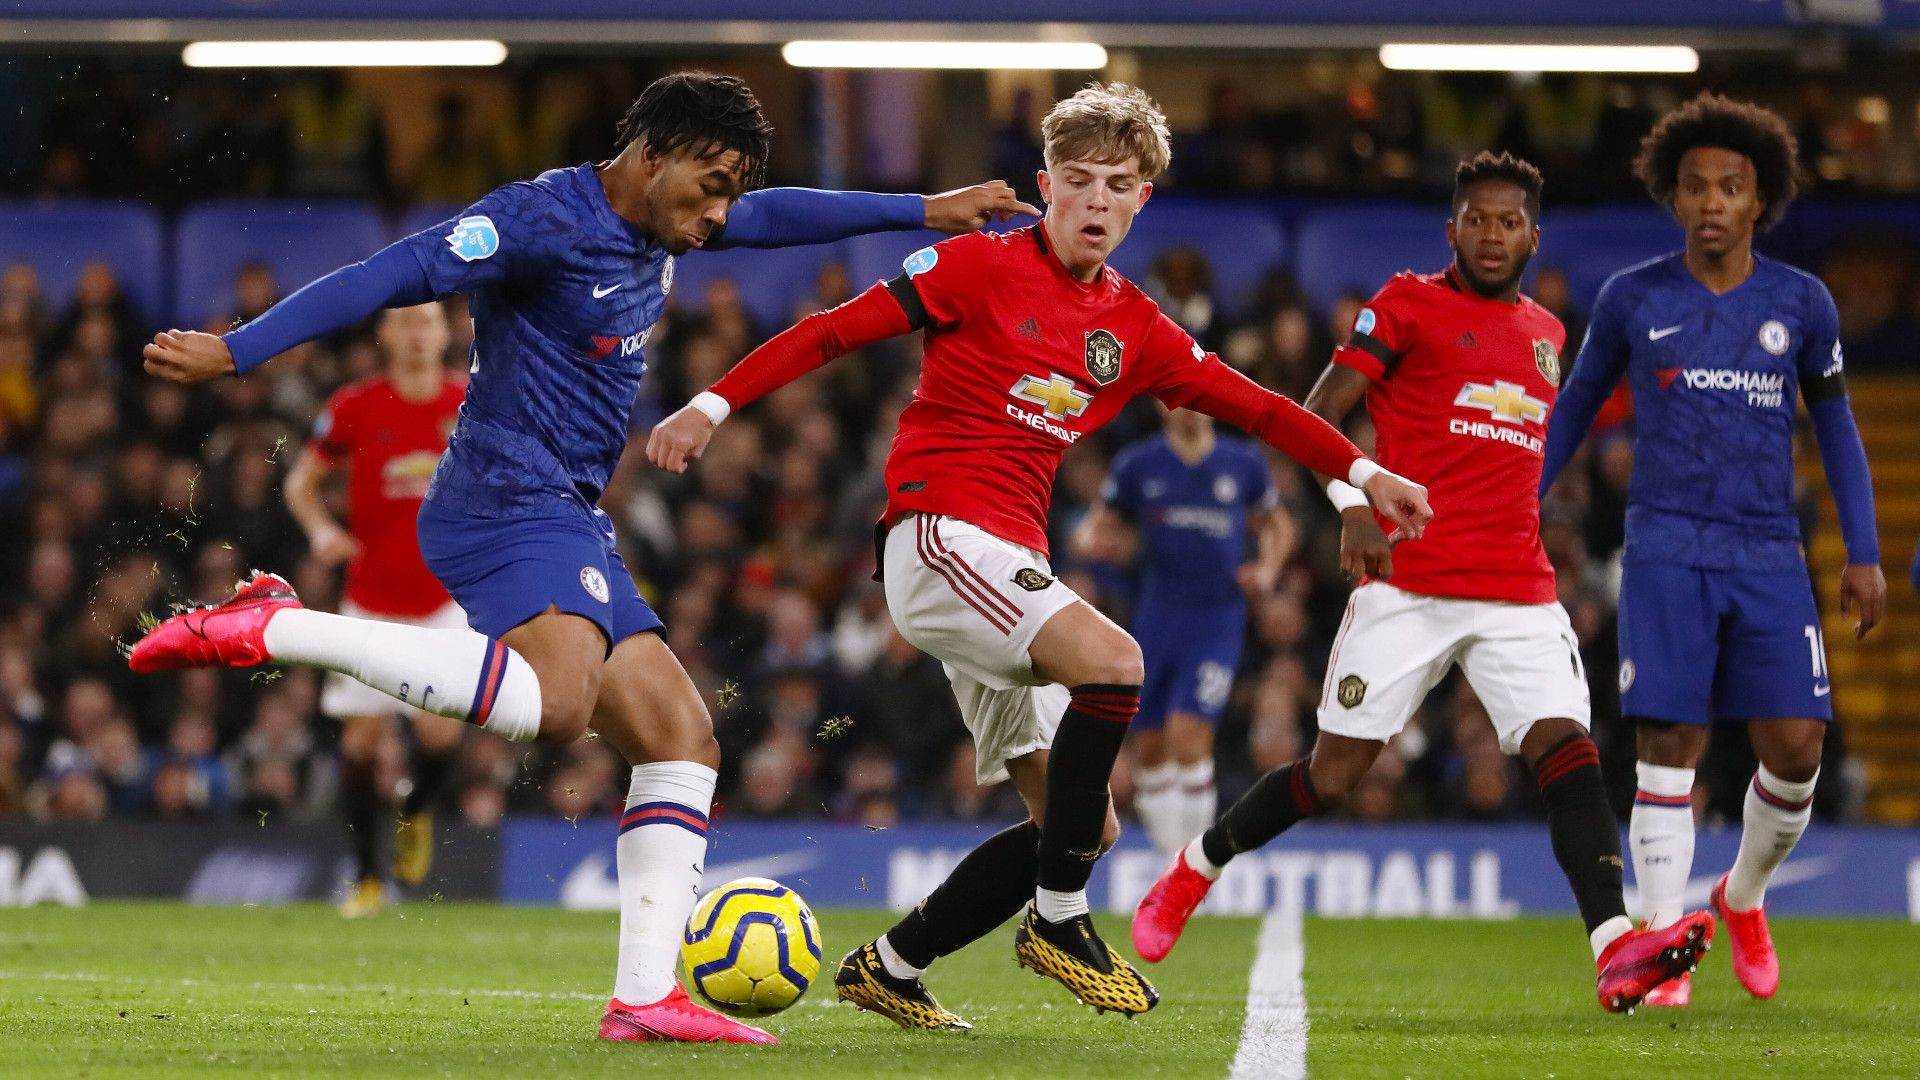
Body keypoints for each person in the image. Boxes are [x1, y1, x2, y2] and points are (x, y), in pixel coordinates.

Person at [126, 70, 1038, 1046]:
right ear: (651, 155)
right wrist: (242, 350)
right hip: (503, 499)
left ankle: (643, 999)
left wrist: (925, 209)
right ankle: (278, 623)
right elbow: (391, 273)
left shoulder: (677, 214)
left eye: (730, 189)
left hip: (566, 512)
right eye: (710, 185)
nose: (720, 213)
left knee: (683, 740)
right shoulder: (536, 220)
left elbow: (775, 215)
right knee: (558, 708)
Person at [646, 82, 1431, 1030]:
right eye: (1081, 180)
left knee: (1080, 824)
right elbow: (831, 331)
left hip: (1007, 564)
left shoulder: (1134, 327)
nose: (1098, 201)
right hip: (939, 537)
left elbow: (1259, 406)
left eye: (1120, 185)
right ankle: (1059, 921)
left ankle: (889, 966)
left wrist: (1360, 470)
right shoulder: (979, 266)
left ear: (1144, 201)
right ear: (1045, 185)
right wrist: (710, 403)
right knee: (1119, 665)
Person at [1131, 151, 1717, 1014]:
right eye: (1476, 219)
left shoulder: (1550, 337)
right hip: (1409, 583)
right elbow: (1313, 414)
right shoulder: (1406, 303)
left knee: (1570, 751)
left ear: (1533, 236)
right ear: (1451, 229)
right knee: (1333, 775)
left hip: (1518, 587)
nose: (1492, 234)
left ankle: (1614, 947)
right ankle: (1194, 868)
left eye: (1509, 221)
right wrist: (1351, 495)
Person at [1538, 94, 1885, 1006]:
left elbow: (1838, 427)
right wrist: (1520, 499)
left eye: (1731, 186)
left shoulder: (1800, 302)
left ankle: (1743, 897)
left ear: (1760, 199)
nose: (1712, 202)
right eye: (1695, 186)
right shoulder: (1632, 297)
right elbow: (1573, 409)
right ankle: (1659, 949)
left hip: (1771, 550)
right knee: (1670, 742)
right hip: (1665, 545)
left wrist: (1865, 549)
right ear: (1674, 196)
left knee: (1799, 747)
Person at [282, 302, 467, 917]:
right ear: (385, 334)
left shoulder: (471, 403)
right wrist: (320, 532)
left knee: (442, 734)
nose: (417, 334)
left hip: (447, 597)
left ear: (446, 333)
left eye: (428, 322)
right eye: (405, 323)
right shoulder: (356, 406)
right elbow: (299, 483)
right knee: (362, 741)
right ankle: (365, 878)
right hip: (372, 599)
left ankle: (415, 809)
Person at [1073, 406, 1290, 858]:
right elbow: (1095, 525)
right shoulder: (1139, 463)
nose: (1189, 407)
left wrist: (1268, 568)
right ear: (1160, 404)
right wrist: (1096, 541)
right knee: (1149, 747)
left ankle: (1193, 866)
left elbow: (1279, 525)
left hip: (1217, 618)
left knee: (1189, 737)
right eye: (1175, 397)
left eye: (1198, 397)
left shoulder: (1242, 462)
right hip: (1157, 616)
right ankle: (1169, 859)